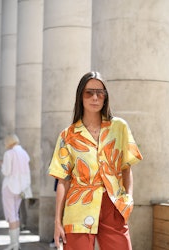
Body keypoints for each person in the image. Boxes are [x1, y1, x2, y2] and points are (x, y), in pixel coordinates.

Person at [49, 71, 143, 250]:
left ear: (105, 98)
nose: (95, 97)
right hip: (78, 207)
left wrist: (129, 198)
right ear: (80, 96)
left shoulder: (119, 127)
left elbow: (126, 167)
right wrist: (57, 221)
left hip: (113, 204)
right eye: (89, 92)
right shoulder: (67, 136)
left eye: (100, 93)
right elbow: (63, 181)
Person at [0, 134, 31, 250]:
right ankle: (16, 243)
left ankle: (13, 244)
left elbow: (6, 172)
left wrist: (2, 165)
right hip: (21, 188)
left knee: (11, 215)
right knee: (16, 215)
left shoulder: (9, 153)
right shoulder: (24, 153)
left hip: (9, 187)